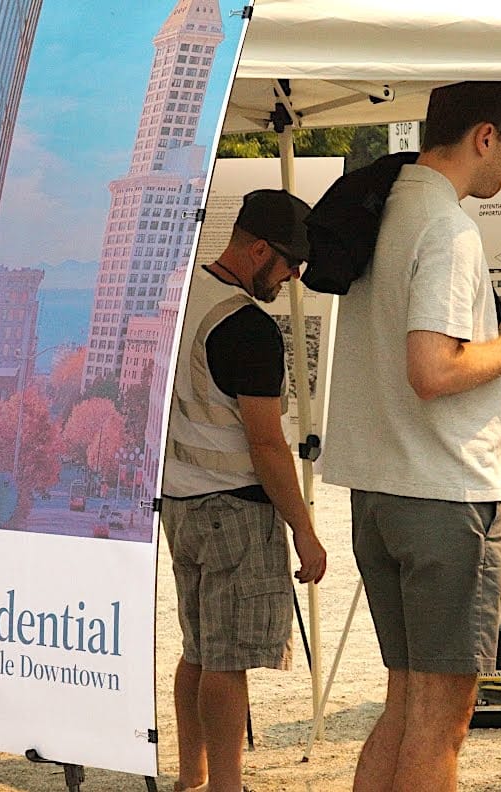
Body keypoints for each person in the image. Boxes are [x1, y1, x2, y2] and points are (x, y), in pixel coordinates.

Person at [322, 81, 501, 792]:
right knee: (441, 720)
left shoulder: (390, 204)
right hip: (443, 495)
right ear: (484, 137)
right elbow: (433, 368)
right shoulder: (448, 228)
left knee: (406, 704)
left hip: (382, 490)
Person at [161, 189, 328, 792]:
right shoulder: (249, 328)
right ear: (258, 248)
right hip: (232, 505)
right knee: (226, 659)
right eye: (288, 264)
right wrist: (305, 529)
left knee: (198, 649)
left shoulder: (182, 296)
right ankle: (227, 786)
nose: (292, 278)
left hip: (179, 502)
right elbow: (266, 446)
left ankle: (192, 777)